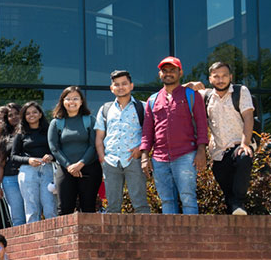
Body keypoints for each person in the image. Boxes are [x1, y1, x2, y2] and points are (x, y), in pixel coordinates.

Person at [141, 56, 209, 215]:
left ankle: (192, 238)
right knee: (166, 200)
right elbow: (147, 130)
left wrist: (201, 150)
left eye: (172, 70)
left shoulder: (191, 95)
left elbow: (201, 124)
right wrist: (145, 156)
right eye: (165, 71)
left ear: (180, 72)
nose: (168, 74)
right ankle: (170, 239)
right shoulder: (153, 100)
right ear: (160, 74)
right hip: (159, 158)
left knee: (188, 198)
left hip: (185, 155)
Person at [186, 61, 256, 215]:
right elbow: (176, 91)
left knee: (244, 159)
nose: (220, 79)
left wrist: (245, 144)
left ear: (230, 77)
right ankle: (235, 213)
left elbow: (248, 117)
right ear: (210, 79)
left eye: (224, 76)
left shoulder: (240, 91)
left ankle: (239, 204)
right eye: (216, 76)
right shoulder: (206, 95)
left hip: (239, 145)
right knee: (228, 194)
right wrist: (190, 84)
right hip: (218, 153)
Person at [95, 70, 151, 214]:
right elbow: (99, 137)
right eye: (117, 84)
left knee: (140, 204)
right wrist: (103, 159)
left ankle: (144, 236)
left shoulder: (143, 107)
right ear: (111, 88)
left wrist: (141, 149)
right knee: (112, 207)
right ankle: (112, 237)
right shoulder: (105, 109)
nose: (121, 87)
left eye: (124, 84)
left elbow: (151, 132)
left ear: (131, 86)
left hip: (134, 160)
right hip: (111, 162)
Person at [48, 87, 101, 214]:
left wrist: (80, 164)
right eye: (68, 99)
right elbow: (54, 148)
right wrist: (69, 166)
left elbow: (93, 145)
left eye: (75, 98)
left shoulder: (90, 120)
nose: (72, 102)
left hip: (89, 168)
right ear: (62, 101)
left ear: (81, 101)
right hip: (65, 170)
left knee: (88, 207)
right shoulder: (56, 123)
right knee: (64, 208)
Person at [9, 102, 56, 223]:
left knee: (50, 207)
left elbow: (57, 151)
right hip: (28, 171)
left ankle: (53, 238)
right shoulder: (20, 134)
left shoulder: (49, 130)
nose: (32, 115)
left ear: (40, 114)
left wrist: (51, 156)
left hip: (47, 169)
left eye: (35, 112)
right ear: (24, 116)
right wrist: (28, 160)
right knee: (31, 209)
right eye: (28, 113)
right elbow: (13, 157)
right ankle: (34, 240)